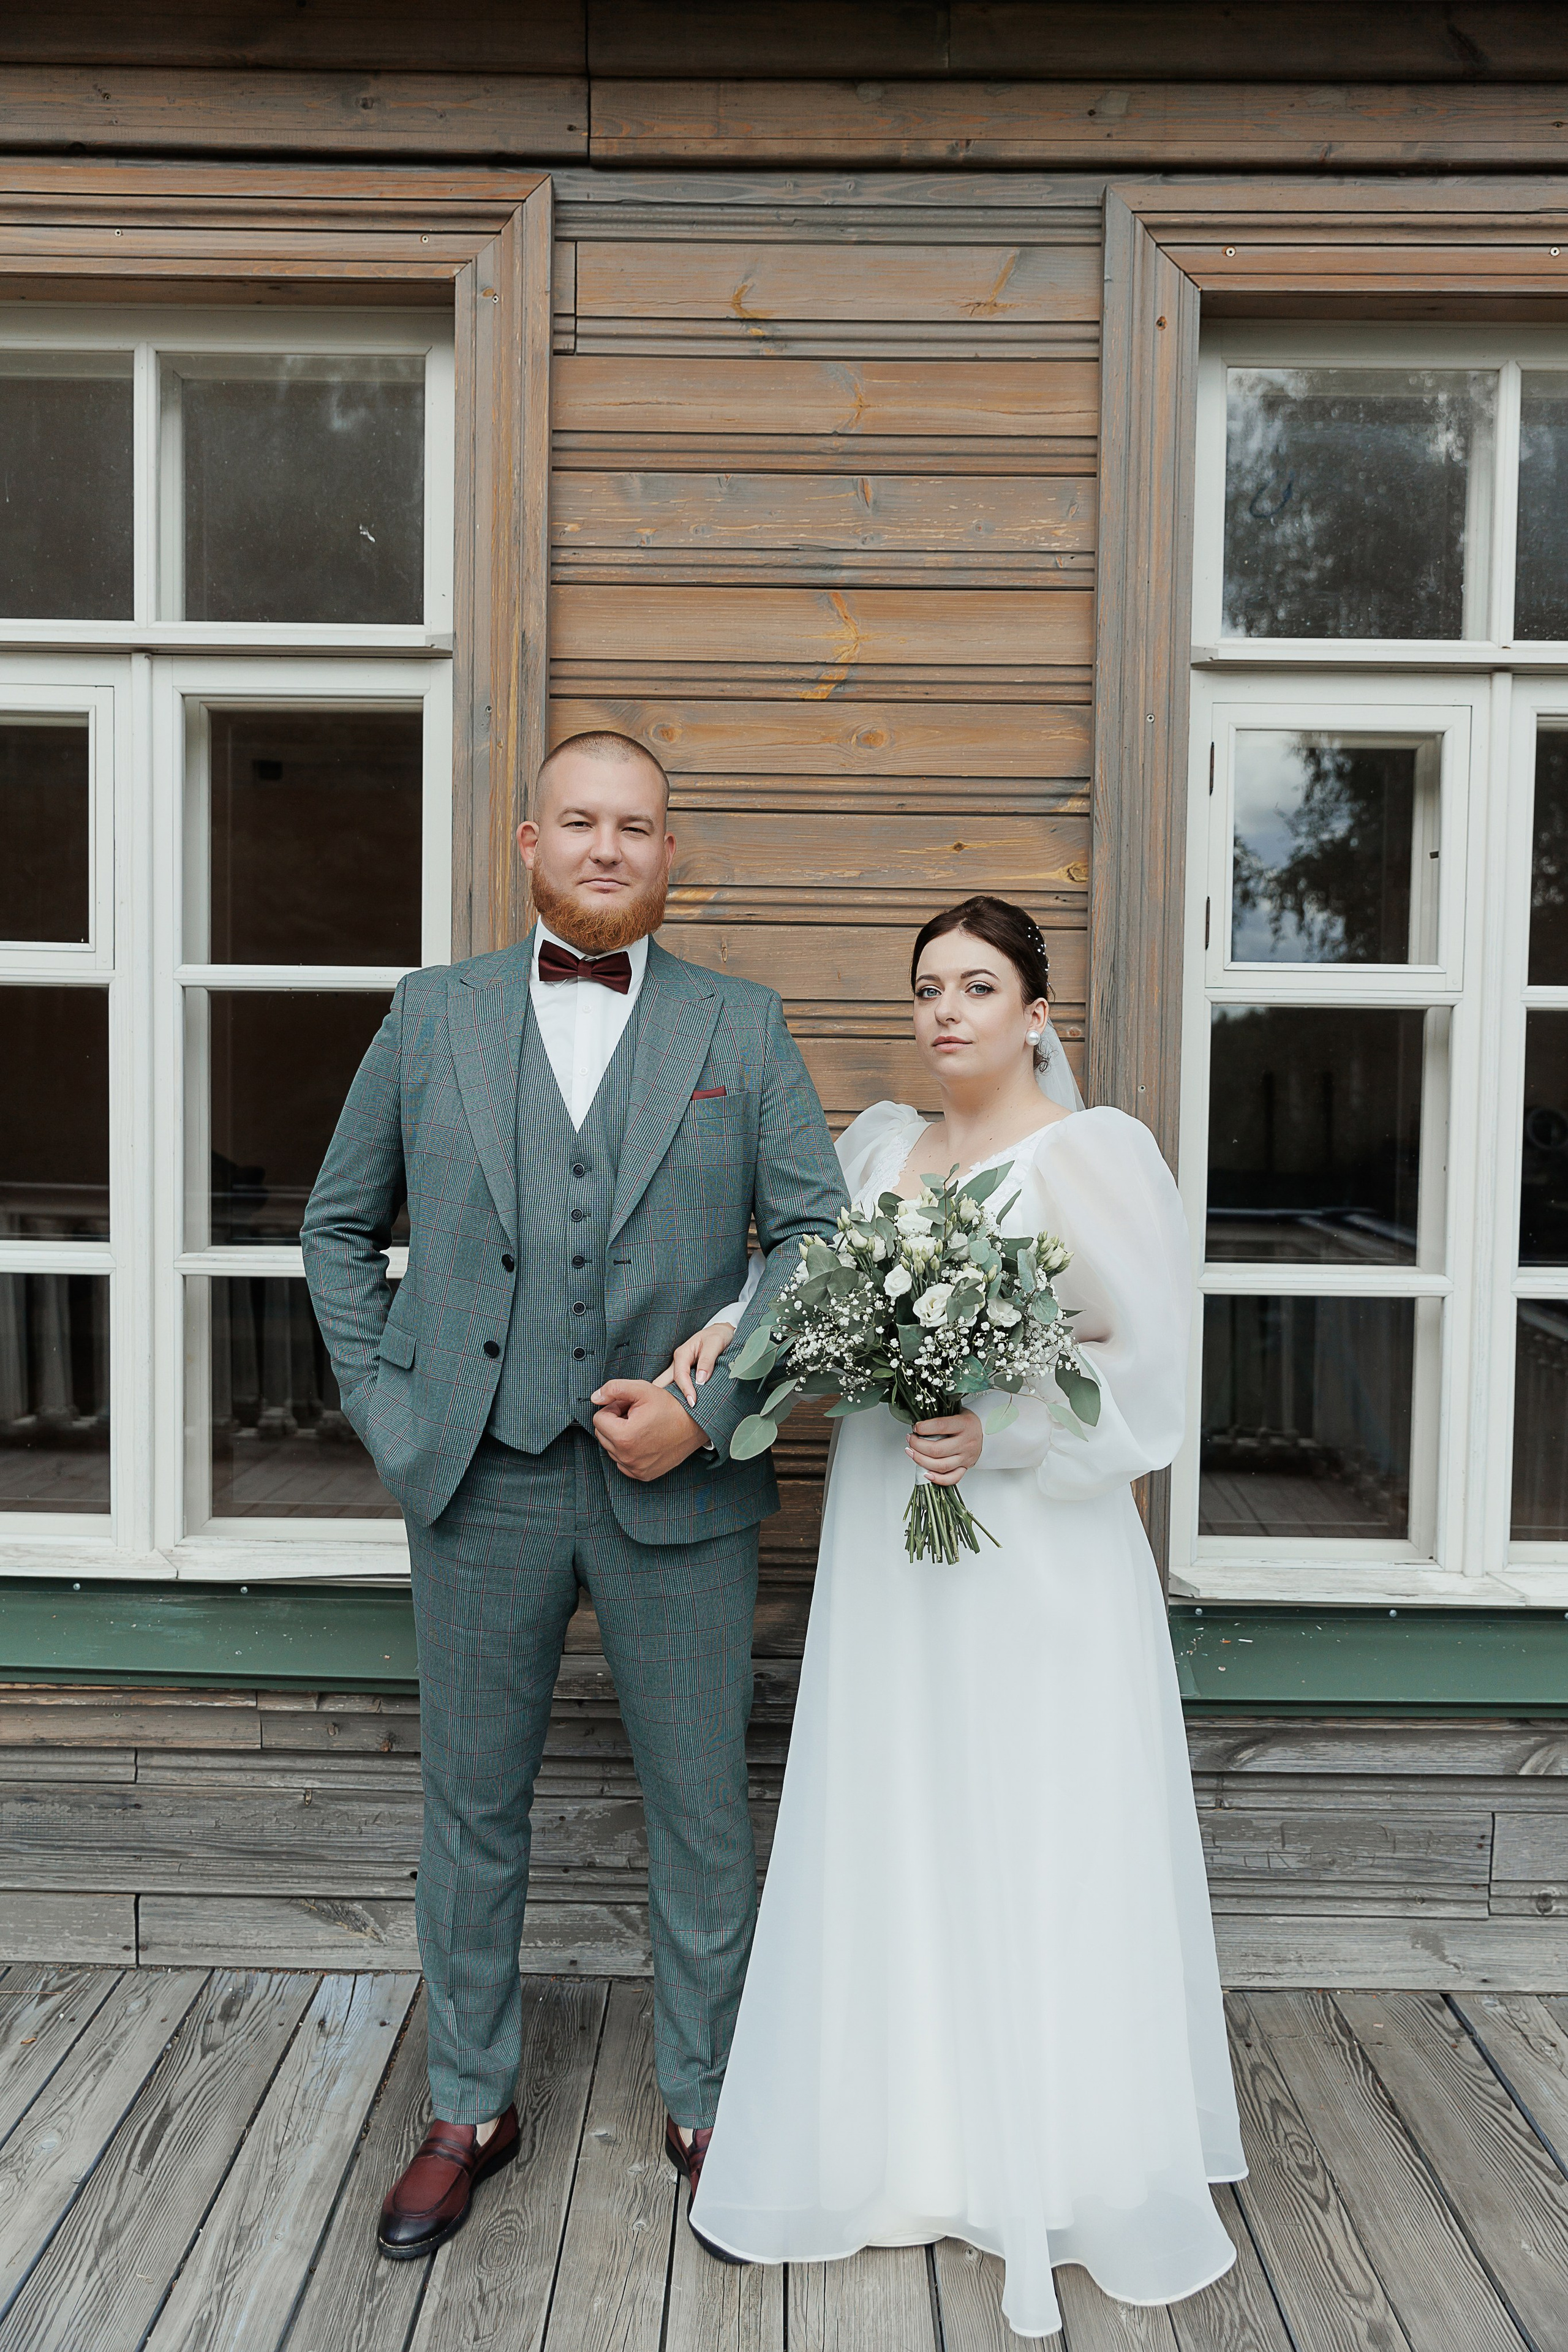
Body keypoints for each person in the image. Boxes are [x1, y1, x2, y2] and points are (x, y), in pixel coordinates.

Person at [666, 895, 1245, 2339]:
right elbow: (804, 1291)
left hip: (1029, 1548)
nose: (945, 1011)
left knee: (1029, 1810)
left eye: (978, 986)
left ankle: (1054, 2148)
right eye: (927, 987)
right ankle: (900, 2139)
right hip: (891, 1529)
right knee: (897, 1801)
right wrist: (742, 1329)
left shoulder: (1090, 1155)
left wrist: (1010, 1431)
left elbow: (1149, 1373)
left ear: (1036, 1011)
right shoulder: (875, 1152)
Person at [301, 731, 846, 2261]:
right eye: (582, 823)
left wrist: (713, 1404)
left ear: (671, 857)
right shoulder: (430, 1016)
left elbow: (813, 1236)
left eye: (640, 828)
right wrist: (398, 1415)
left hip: (679, 1493)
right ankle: (469, 2105)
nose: (609, 849)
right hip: (474, 1482)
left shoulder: (743, 1023)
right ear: (525, 840)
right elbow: (336, 1231)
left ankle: (708, 2100)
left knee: (699, 1807)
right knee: (470, 1807)